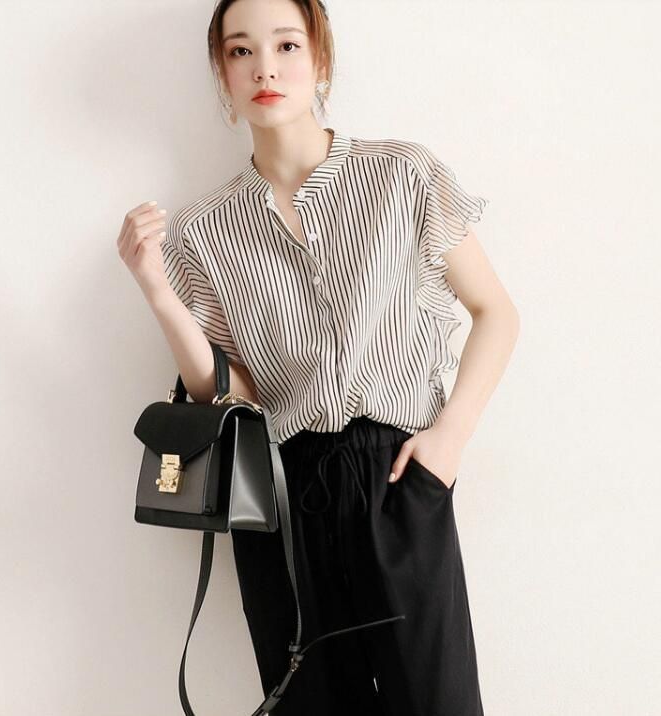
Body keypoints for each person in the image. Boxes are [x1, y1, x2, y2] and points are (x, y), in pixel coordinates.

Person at [118, 0, 520, 713]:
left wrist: (448, 441)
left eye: (286, 46)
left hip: (399, 478)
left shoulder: (402, 175)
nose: (264, 69)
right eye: (240, 51)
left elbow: (496, 312)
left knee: (438, 702)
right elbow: (229, 394)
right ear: (221, 72)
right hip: (282, 493)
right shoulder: (203, 230)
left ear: (320, 58)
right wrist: (156, 289)